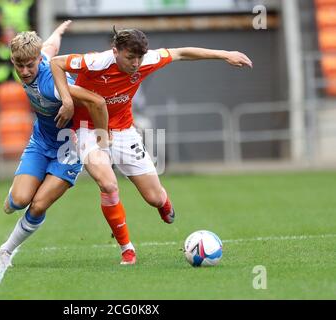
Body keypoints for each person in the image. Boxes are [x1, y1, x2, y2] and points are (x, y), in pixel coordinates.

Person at [50, 27, 253, 265]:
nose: (136, 63)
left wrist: (225, 54)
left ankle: (163, 202)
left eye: (140, 58)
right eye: (130, 58)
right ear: (115, 51)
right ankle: (127, 249)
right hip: (87, 129)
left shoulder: (147, 61)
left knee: (154, 198)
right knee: (108, 184)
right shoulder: (95, 62)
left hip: (125, 132)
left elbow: (181, 53)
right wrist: (67, 100)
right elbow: (56, 63)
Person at [0, 20, 108, 268]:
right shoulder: (39, 55)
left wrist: (101, 140)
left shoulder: (52, 85)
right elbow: (51, 45)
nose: (24, 71)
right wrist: (59, 30)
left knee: (38, 204)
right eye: (18, 65)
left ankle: (6, 250)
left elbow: (96, 101)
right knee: (19, 201)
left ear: (38, 61)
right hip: (41, 141)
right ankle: (12, 198)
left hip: (68, 148)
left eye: (29, 65)